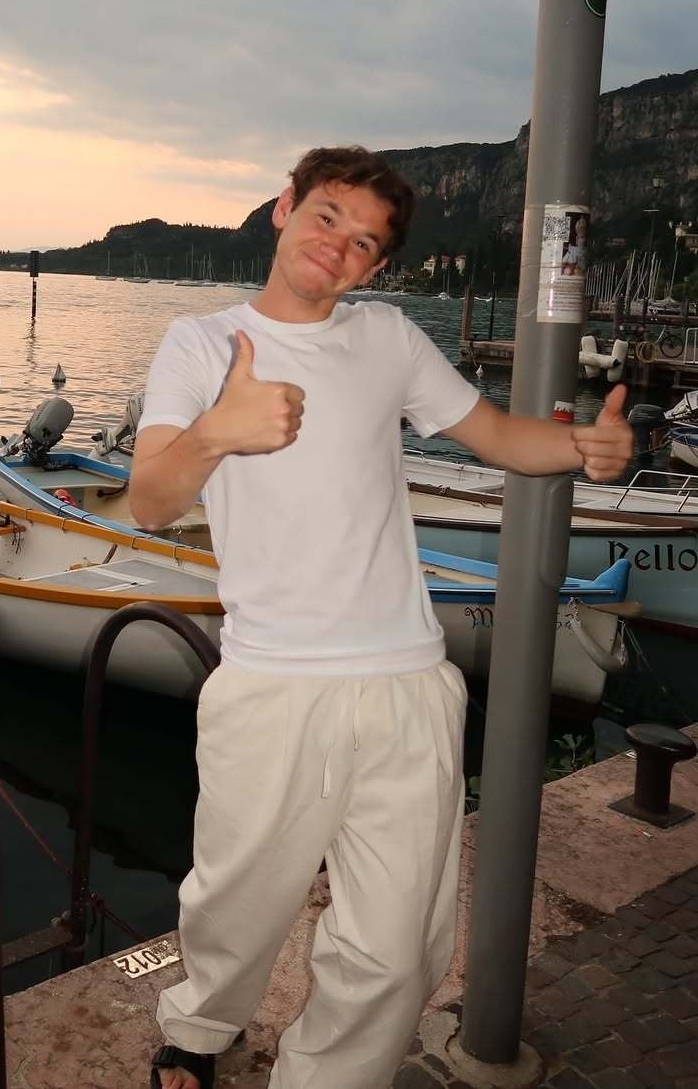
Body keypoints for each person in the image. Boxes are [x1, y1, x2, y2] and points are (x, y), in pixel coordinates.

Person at [130, 146, 633, 1089]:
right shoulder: (201, 345)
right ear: (284, 207)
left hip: (406, 679)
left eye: (363, 241)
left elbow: (495, 435)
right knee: (235, 904)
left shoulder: (389, 339)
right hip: (272, 681)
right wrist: (216, 433)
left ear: (377, 267)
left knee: (398, 945)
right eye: (327, 216)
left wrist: (583, 447)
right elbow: (150, 502)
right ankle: (200, 1027)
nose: (338, 246)